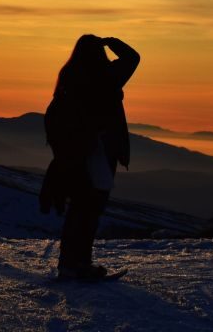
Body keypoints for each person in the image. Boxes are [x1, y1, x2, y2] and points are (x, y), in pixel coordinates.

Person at [39, 35, 140, 280]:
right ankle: (80, 264)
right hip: (98, 151)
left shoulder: (68, 77)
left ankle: (70, 263)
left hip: (74, 154)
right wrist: (111, 41)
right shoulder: (105, 75)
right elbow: (133, 58)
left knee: (79, 208)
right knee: (91, 208)